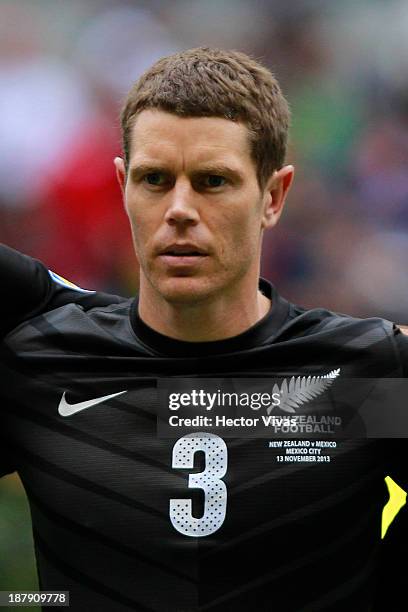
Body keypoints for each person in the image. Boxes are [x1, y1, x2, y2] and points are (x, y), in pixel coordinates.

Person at [0, 46, 407, 612]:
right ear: (122, 186)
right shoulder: (40, 362)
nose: (180, 208)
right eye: (154, 179)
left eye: (213, 181)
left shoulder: (367, 373)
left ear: (273, 196)